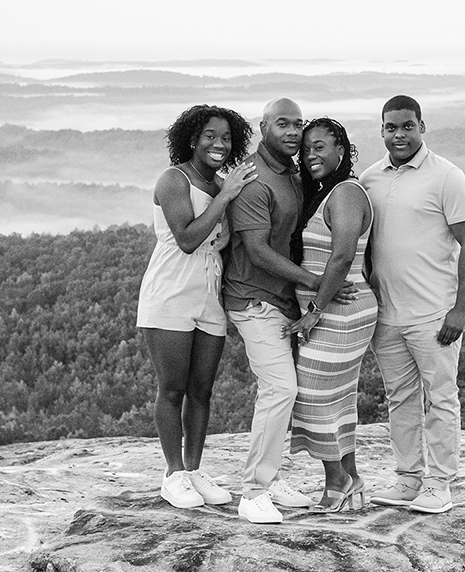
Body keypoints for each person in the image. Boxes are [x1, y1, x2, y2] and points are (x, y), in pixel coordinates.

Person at [224, 98, 351, 524]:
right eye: (283, 124)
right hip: (254, 300)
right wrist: (320, 284)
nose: (293, 131)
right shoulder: (254, 181)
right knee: (280, 389)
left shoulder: (294, 175)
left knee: (295, 391)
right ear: (263, 128)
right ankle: (253, 492)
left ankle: (274, 478)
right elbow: (257, 250)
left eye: (298, 123)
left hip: (284, 301)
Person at [361, 95, 465, 514]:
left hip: (434, 314)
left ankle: (440, 483)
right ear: (381, 130)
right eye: (391, 127)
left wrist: (461, 308)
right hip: (386, 314)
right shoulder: (369, 179)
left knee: (442, 397)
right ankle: (408, 478)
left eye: (407, 126)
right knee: (400, 398)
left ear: (421, 127)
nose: (399, 134)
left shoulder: (447, 177)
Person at [137, 104, 256, 509]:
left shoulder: (223, 184)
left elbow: (229, 240)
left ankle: (193, 468)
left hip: (209, 296)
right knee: (172, 388)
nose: (218, 144)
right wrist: (225, 197)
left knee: (202, 390)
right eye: (209, 135)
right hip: (170, 294)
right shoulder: (174, 180)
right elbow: (187, 238)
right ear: (191, 138)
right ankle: (173, 474)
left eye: (225, 137)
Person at [284, 118, 377, 512]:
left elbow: (341, 256)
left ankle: (336, 478)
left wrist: (313, 313)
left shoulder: (346, 192)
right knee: (339, 398)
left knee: (310, 394)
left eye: (319, 147)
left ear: (342, 149)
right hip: (336, 310)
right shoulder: (325, 193)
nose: (310, 156)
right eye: (306, 150)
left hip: (340, 312)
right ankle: (350, 477)